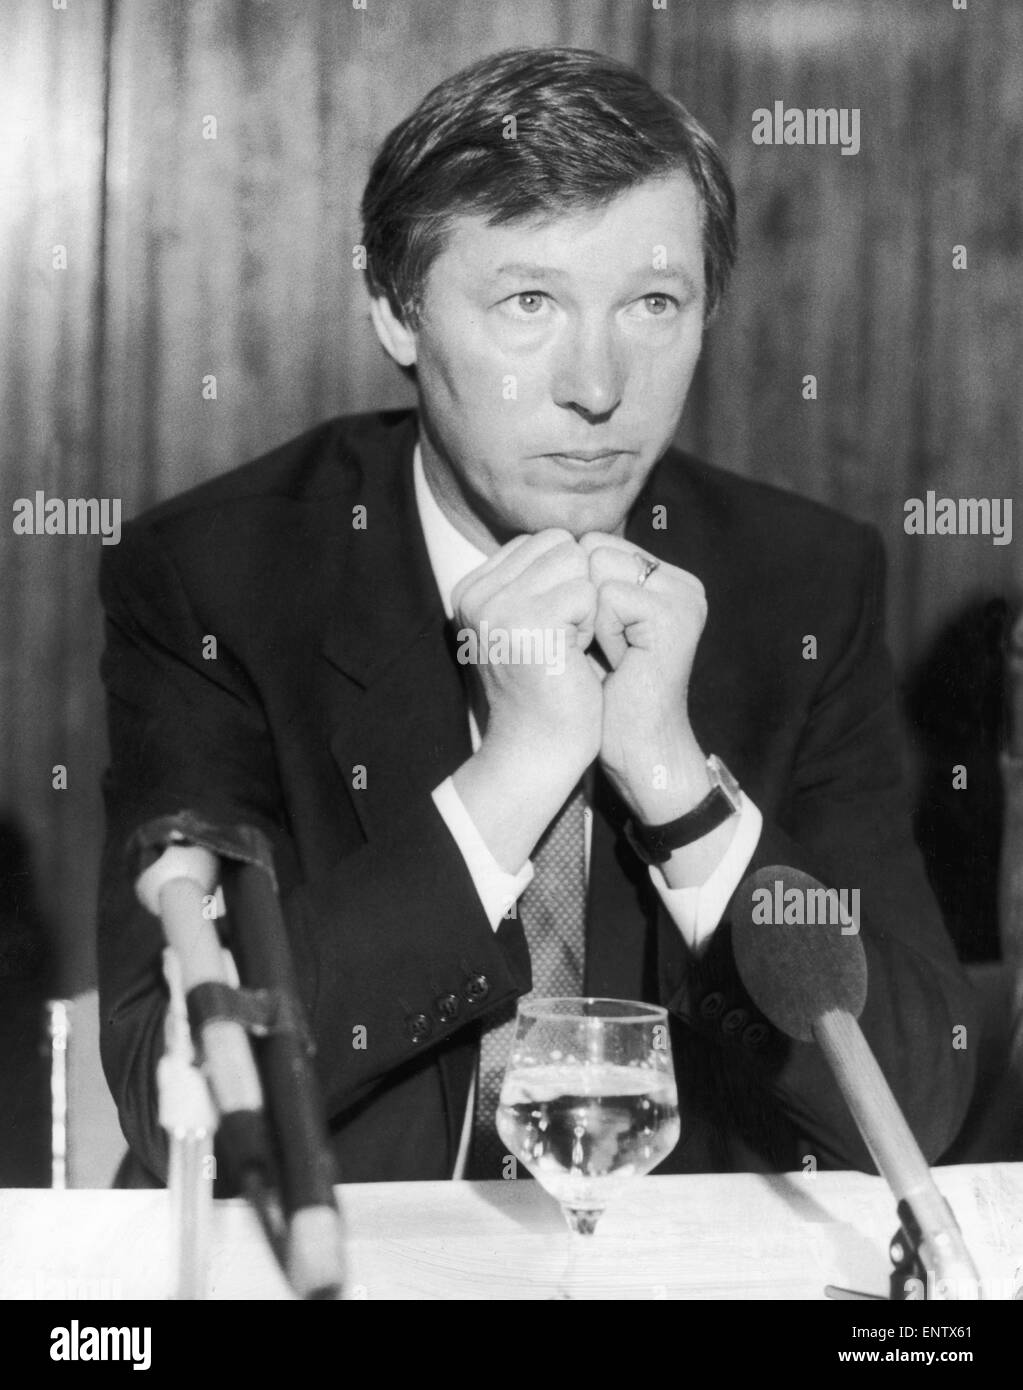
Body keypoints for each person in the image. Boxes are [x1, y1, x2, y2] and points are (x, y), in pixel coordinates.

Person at [97, 47, 976, 1186]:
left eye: (654, 303)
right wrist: (510, 780)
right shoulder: (219, 577)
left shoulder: (798, 583)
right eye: (529, 302)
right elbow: (177, 1089)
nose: (598, 383)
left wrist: (678, 786)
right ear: (395, 310)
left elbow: (916, 1095)